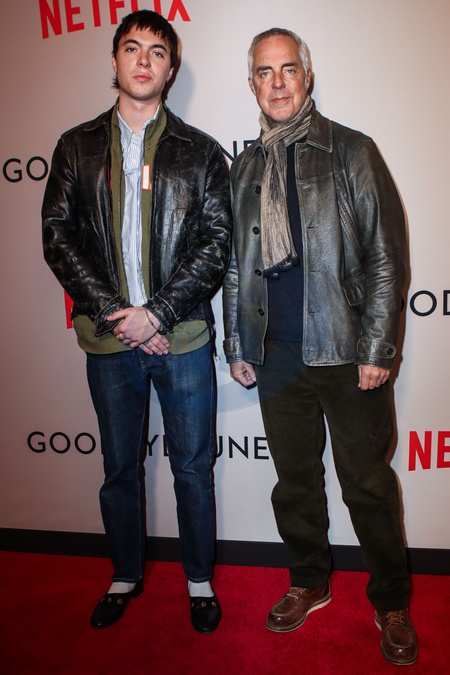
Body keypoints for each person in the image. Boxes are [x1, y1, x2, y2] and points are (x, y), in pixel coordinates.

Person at [223, 27, 418, 665]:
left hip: (346, 347)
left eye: (288, 69)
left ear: (307, 77)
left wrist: (377, 349)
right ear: (252, 84)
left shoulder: (351, 150)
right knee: (295, 484)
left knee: (367, 485)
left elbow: (386, 258)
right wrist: (239, 341)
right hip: (276, 353)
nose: (276, 82)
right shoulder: (246, 166)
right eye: (264, 72)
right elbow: (237, 267)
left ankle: (391, 601)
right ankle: (309, 581)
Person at [42, 10, 231, 633]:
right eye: (132, 48)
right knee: (119, 468)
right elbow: (58, 237)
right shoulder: (74, 146)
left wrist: (157, 314)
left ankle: (199, 580)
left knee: (192, 469)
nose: (144, 60)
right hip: (109, 341)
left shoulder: (201, 152)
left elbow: (215, 244)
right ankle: (124, 574)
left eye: (157, 51)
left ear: (170, 69)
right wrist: (113, 314)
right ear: (114, 60)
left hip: (182, 339)